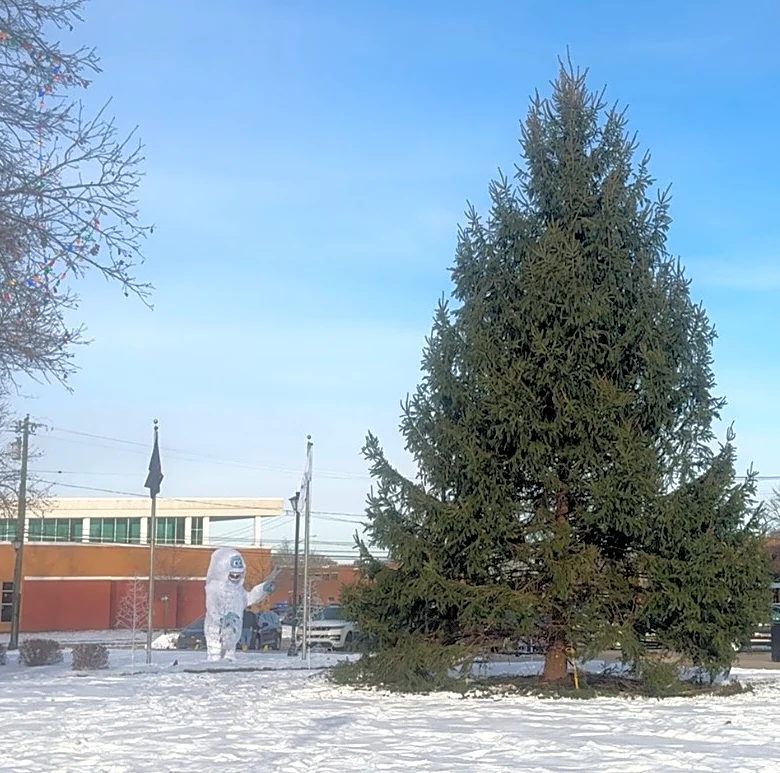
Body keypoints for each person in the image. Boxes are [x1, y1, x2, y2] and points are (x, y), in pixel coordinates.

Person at [203, 548, 279, 662]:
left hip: (233, 633)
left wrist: (263, 589)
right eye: (232, 573)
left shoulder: (238, 590)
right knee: (215, 657)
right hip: (215, 632)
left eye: (238, 573)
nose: (235, 576)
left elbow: (248, 599)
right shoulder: (214, 589)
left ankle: (229, 661)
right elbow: (212, 609)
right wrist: (222, 619)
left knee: (229, 658)